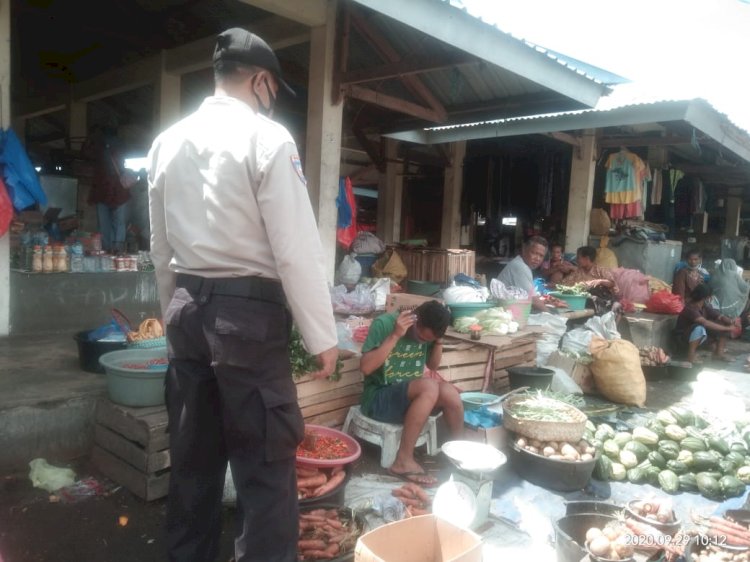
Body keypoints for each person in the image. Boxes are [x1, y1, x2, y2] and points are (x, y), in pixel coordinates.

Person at [147, 28, 338, 562]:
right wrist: (322, 334)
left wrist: (172, 319)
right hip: (248, 321)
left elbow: (161, 251)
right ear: (259, 80)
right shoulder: (268, 139)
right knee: (265, 473)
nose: (271, 98)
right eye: (272, 87)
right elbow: (296, 247)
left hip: (186, 308)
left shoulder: (167, 142)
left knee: (192, 467)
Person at [360, 301, 462, 487]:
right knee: (430, 386)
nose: (422, 342)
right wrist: (395, 335)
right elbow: (366, 368)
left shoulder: (430, 334)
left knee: (449, 391)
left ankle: (458, 453)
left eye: (428, 341)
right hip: (378, 399)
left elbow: (432, 366)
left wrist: (438, 341)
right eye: (422, 338)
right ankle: (403, 460)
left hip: (409, 399)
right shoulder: (384, 324)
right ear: (414, 318)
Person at [82, 125, 131, 252]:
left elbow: (86, 153)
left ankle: (107, 249)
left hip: (102, 191)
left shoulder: (98, 146)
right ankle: (118, 250)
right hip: (120, 191)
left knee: (104, 224)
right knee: (119, 223)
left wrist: (90, 139)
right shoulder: (122, 145)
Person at [674, 283, 737, 364]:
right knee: (699, 328)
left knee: (724, 323)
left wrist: (730, 321)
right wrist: (727, 328)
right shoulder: (690, 308)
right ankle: (690, 356)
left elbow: (719, 316)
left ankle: (719, 354)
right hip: (682, 338)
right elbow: (705, 322)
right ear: (707, 297)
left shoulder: (704, 306)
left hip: (695, 335)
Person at [497, 235, 554, 311]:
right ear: (524, 250)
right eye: (534, 253)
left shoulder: (521, 264)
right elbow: (534, 300)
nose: (537, 258)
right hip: (501, 311)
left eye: (541, 256)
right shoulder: (520, 266)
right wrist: (551, 314)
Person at [709, 258, 750, 324]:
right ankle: (742, 321)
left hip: (717, 307)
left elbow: (710, 287)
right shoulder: (734, 274)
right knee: (746, 300)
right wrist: (747, 282)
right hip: (731, 308)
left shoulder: (715, 274)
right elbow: (745, 288)